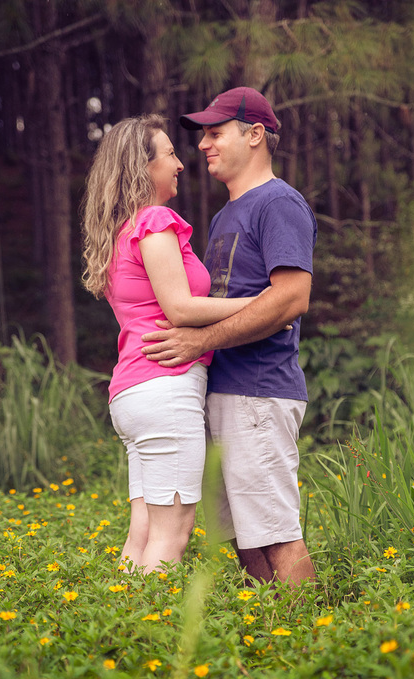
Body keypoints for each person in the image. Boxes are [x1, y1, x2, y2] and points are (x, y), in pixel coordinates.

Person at [139, 87, 317, 586]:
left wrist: (199, 342)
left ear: (255, 135)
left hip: (259, 390)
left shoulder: (278, 203)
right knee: (242, 537)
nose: (202, 145)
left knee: (276, 533)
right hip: (223, 391)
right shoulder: (223, 216)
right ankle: (273, 641)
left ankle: (319, 647)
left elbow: (291, 298)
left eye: (215, 133)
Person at [81, 115, 258, 574]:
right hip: (166, 389)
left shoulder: (122, 230)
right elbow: (180, 308)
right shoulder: (155, 221)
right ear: (143, 169)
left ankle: (113, 621)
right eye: (170, 155)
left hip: (133, 394)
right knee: (171, 534)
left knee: (142, 530)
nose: (181, 164)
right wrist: (261, 305)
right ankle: (145, 638)